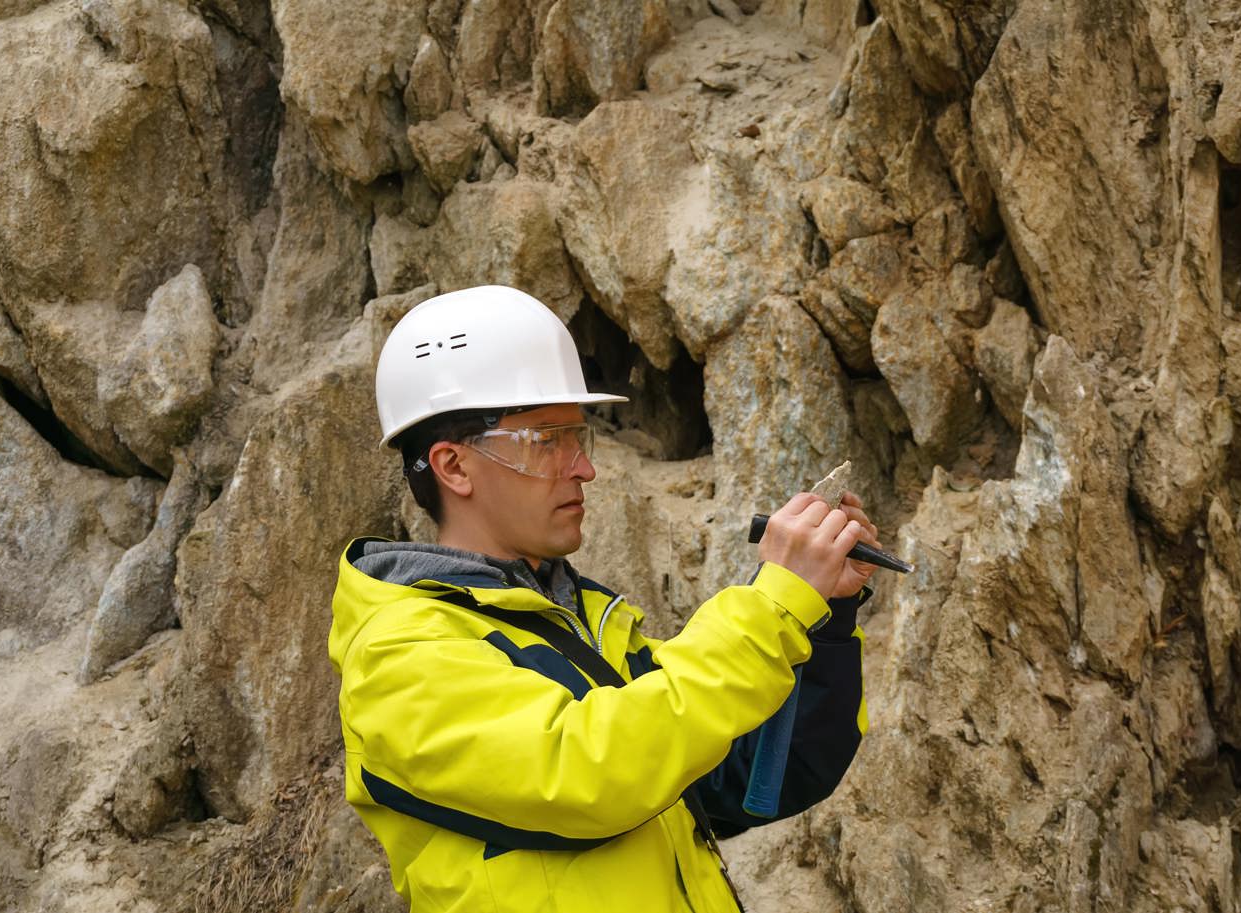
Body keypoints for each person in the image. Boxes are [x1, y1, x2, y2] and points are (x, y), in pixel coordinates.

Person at [328, 285, 876, 912]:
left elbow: (756, 778)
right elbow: (589, 774)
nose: (583, 468)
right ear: (453, 466)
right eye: (545, 440)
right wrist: (775, 606)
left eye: (577, 438)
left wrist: (825, 617)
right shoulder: (398, 657)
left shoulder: (583, 621)